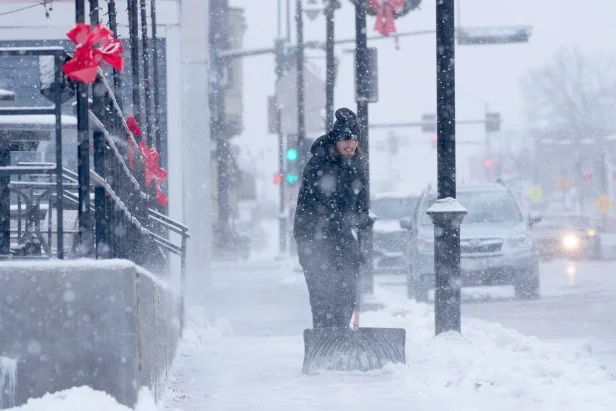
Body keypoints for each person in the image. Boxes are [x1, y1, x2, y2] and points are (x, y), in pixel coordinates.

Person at [293, 108, 373, 328]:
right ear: (335, 141)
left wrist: (362, 218)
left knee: (347, 291)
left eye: (354, 139)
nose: (350, 144)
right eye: (345, 139)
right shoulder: (319, 165)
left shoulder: (356, 166)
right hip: (313, 236)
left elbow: (360, 201)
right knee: (324, 295)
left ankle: (340, 340)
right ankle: (325, 344)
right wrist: (349, 220)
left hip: (341, 237)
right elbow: (322, 205)